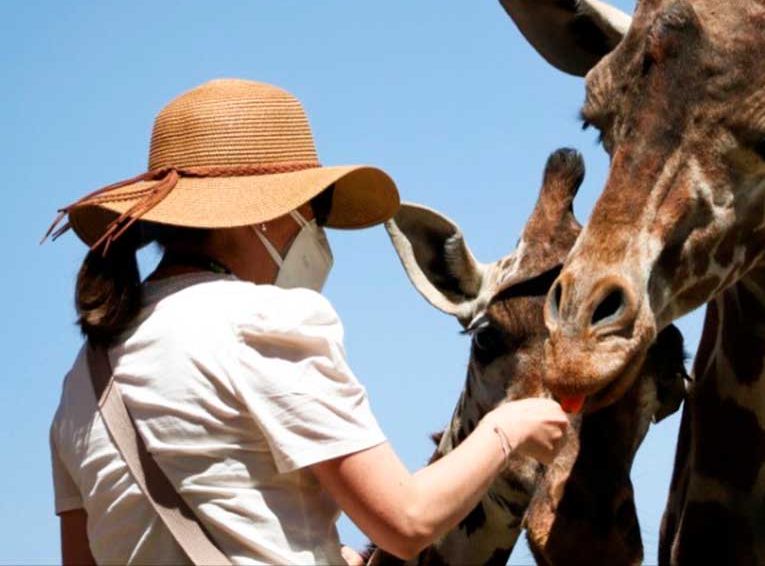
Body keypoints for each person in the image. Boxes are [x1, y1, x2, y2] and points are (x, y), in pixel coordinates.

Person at [47, 78, 569, 564]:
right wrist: (507, 427)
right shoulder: (266, 323)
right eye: (315, 211)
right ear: (267, 214)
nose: (319, 235)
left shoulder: (83, 380)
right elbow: (408, 521)